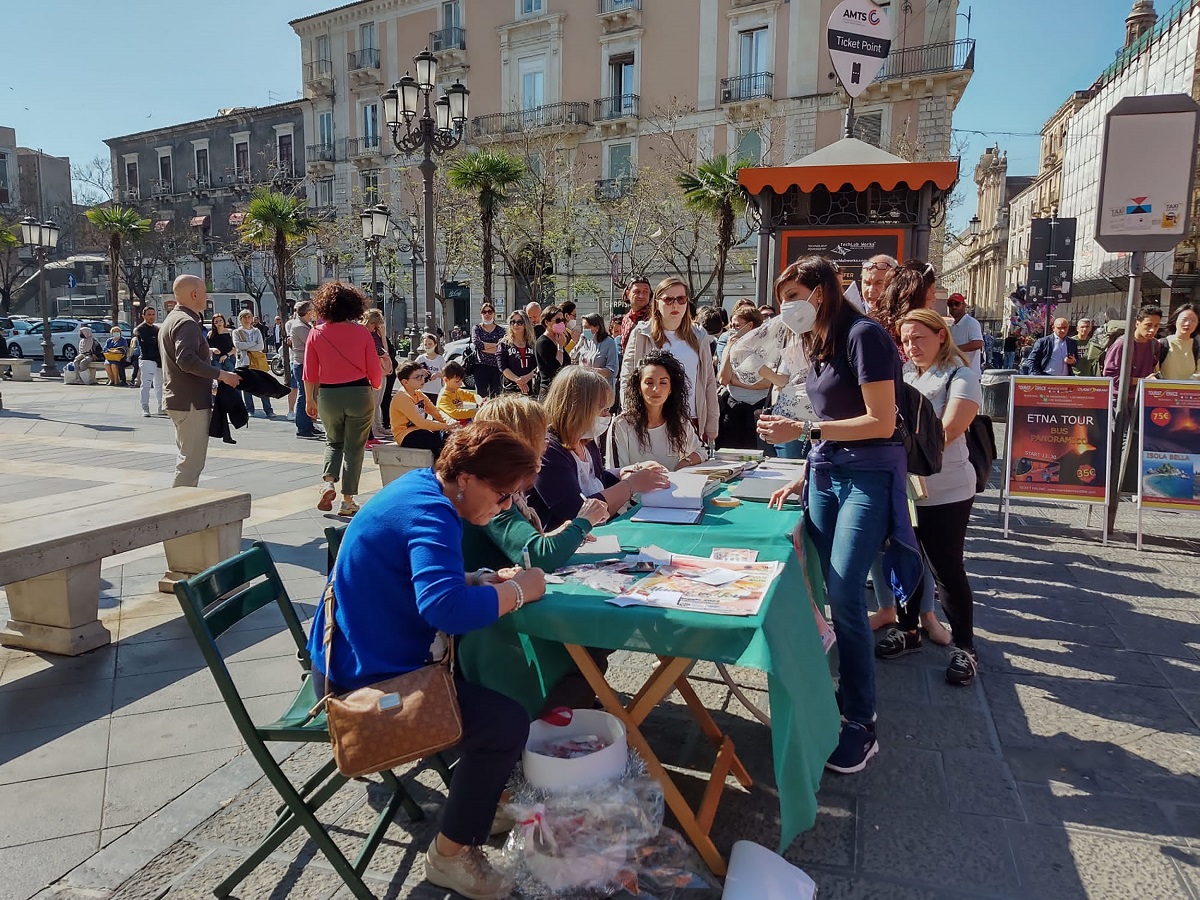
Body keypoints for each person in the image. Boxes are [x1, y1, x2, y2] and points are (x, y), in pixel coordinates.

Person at [305, 423, 547, 900]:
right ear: (467, 478)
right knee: (503, 722)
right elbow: (445, 609)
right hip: (359, 682)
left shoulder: (423, 489)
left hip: (356, 652)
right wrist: (520, 591)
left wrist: (477, 579)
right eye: (501, 496)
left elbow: (424, 582)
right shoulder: (431, 512)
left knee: (493, 689)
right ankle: (450, 856)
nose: (504, 508)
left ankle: (480, 798)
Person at [759, 256, 917, 775]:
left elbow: (880, 420)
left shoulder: (865, 335)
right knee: (826, 588)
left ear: (823, 292)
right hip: (826, 474)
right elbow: (831, 416)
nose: (788, 306)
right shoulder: (817, 341)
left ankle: (860, 721)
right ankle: (835, 695)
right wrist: (804, 472)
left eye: (795, 294)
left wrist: (804, 435)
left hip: (868, 475)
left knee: (848, 592)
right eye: (783, 297)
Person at [460, 396, 612, 715]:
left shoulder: (499, 489)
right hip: (490, 626)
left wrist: (567, 532)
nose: (547, 444)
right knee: (590, 642)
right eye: (541, 436)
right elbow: (537, 555)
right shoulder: (492, 494)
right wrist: (584, 519)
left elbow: (530, 546)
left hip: (498, 604)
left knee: (594, 641)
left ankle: (576, 703)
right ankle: (557, 713)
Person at [874, 309, 983, 686]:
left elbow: (949, 429)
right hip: (904, 490)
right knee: (905, 559)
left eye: (918, 337)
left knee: (946, 568)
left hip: (946, 490)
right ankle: (908, 629)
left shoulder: (961, 375)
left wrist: (895, 448)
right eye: (905, 339)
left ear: (941, 336)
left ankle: (965, 648)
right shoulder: (904, 375)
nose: (911, 345)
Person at [532, 366, 670, 531]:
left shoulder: (586, 442)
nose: (607, 416)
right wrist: (631, 485)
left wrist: (627, 472)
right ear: (579, 409)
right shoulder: (548, 451)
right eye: (602, 410)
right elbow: (576, 512)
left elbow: (596, 478)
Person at [303, 283, 382, 518]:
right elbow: (374, 370)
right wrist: (375, 386)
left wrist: (310, 400)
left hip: (328, 394)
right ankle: (348, 500)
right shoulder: (362, 332)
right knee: (354, 448)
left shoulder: (316, 332)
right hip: (358, 393)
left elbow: (308, 372)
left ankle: (328, 483)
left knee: (332, 442)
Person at [161, 276, 241, 487]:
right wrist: (222, 375)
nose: (208, 296)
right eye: (205, 292)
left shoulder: (173, 318)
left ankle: (180, 509)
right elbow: (186, 361)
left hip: (181, 400)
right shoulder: (187, 323)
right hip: (191, 403)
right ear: (194, 294)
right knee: (191, 464)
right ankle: (180, 512)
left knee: (186, 458)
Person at [620, 277, 720, 445]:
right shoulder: (641, 333)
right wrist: (630, 413)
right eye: (668, 299)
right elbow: (627, 378)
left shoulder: (699, 335)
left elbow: (709, 380)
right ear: (657, 303)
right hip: (653, 419)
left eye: (681, 299)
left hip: (691, 417)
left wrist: (712, 421)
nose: (675, 305)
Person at [608, 350, 705, 470]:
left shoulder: (680, 421)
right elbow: (617, 472)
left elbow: (701, 452)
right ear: (638, 387)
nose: (656, 389)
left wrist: (686, 462)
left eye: (663, 382)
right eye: (649, 382)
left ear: (671, 388)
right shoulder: (622, 425)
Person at [716, 304, 771, 449]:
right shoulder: (731, 345)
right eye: (731, 325)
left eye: (736, 326)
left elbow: (767, 382)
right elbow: (723, 379)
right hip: (734, 407)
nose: (732, 330)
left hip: (758, 408)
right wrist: (729, 349)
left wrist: (735, 379)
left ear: (750, 326)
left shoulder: (767, 348)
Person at [390, 361, 458, 458]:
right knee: (437, 443)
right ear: (405, 382)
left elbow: (435, 412)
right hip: (405, 435)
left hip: (420, 430)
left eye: (422, 375)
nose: (422, 379)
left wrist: (451, 422)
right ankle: (440, 470)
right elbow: (420, 422)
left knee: (450, 439)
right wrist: (445, 426)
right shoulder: (402, 397)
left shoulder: (419, 394)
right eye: (417, 377)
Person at [871, 259, 936, 345]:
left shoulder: (930, 329)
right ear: (917, 295)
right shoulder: (876, 332)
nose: (934, 298)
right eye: (932, 292)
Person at [1103, 305, 1164, 393]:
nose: (1152, 330)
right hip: (1120, 400)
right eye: (1148, 325)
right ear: (1137, 323)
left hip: (1143, 397)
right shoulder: (1122, 344)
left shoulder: (1155, 345)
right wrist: (1142, 380)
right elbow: (1111, 378)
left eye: (1156, 326)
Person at [288, 301, 323, 439]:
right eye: (312, 311)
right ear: (308, 312)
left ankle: (309, 425)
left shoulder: (305, 325)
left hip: (308, 363)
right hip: (301, 363)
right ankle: (303, 428)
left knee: (311, 396)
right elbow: (313, 342)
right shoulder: (299, 326)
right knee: (304, 396)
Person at [233, 309, 275, 417]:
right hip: (244, 363)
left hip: (257, 363)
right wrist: (253, 344)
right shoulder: (236, 332)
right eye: (244, 317)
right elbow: (238, 345)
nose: (247, 319)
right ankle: (249, 409)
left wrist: (247, 345)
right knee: (246, 388)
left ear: (252, 319)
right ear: (240, 319)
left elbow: (260, 346)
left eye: (249, 317)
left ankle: (268, 410)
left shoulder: (256, 331)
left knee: (263, 386)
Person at [362, 309, 393, 446]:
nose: (377, 327)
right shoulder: (365, 333)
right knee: (373, 402)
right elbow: (381, 352)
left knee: (378, 401)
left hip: (381, 370)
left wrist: (383, 336)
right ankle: (374, 429)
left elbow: (385, 350)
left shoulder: (375, 334)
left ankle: (378, 427)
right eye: (376, 324)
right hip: (374, 370)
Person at [575, 313, 620, 396]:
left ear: (597, 328)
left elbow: (612, 370)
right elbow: (573, 357)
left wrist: (590, 371)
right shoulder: (586, 341)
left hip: (602, 390)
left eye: (587, 327)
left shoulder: (609, 342)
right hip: (586, 389)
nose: (584, 331)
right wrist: (579, 343)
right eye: (583, 327)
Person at [534, 305, 572, 400]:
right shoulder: (543, 342)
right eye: (558, 320)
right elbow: (556, 367)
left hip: (561, 389)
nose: (561, 323)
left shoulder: (559, 339)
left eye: (563, 320)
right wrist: (560, 347)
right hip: (549, 391)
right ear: (547, 322)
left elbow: (566, 362)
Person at [498, 310, 538, 395]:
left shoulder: (533, 344)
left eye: (519, 322)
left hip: (530, 386)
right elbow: (503, 367)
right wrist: (518, 381)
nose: (515, 325)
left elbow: (538, 365)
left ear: (525, 324)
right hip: (511, 387)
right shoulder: (504, 344)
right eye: (513, 322)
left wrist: (526, 378)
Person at [132, 307, 162, 416]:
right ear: (143, 316)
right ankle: (145, 407)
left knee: (159, 384)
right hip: (147, 359)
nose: (151, 317)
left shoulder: (157, 329)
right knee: (146, 385)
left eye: (153, 314)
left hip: (159, 360)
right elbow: (150, 341)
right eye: (149, 314)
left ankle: (161, 407)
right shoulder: (140, 329)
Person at [471, 302, 506, 398]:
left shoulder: (501, 330)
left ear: (493, 313)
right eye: (484, 312)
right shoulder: (476, 328)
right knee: (481, 397)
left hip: (496, 367)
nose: (487, 314)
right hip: (480, 366)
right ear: (481, 314)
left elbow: (502, 348)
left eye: (489, 312)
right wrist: (494, 346)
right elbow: (477, 344)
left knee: (496, 397)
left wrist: (485, 347)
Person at [1158, 303, 1200, 380]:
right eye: (1184, 320)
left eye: (1193, 321)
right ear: (1175, 321)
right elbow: (1155, 372)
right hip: (1165, 390)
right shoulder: (1161, 344)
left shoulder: (1197, 346)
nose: (1187, 324)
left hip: (1189, 391)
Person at [946, 293, 984, 374]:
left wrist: (954, 350)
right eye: (950, 304)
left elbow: (978, 343)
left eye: (957, 304)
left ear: (964, 305)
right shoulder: (953, 326)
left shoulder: (971, 322)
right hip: (956, 373)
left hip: (969, 374)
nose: (953, 307)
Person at [617, 277, 652, 353]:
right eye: (637, 291)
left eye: (645, 292)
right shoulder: (626, 319)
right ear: (627, 294)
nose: (641, 296)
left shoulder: (655, 317)